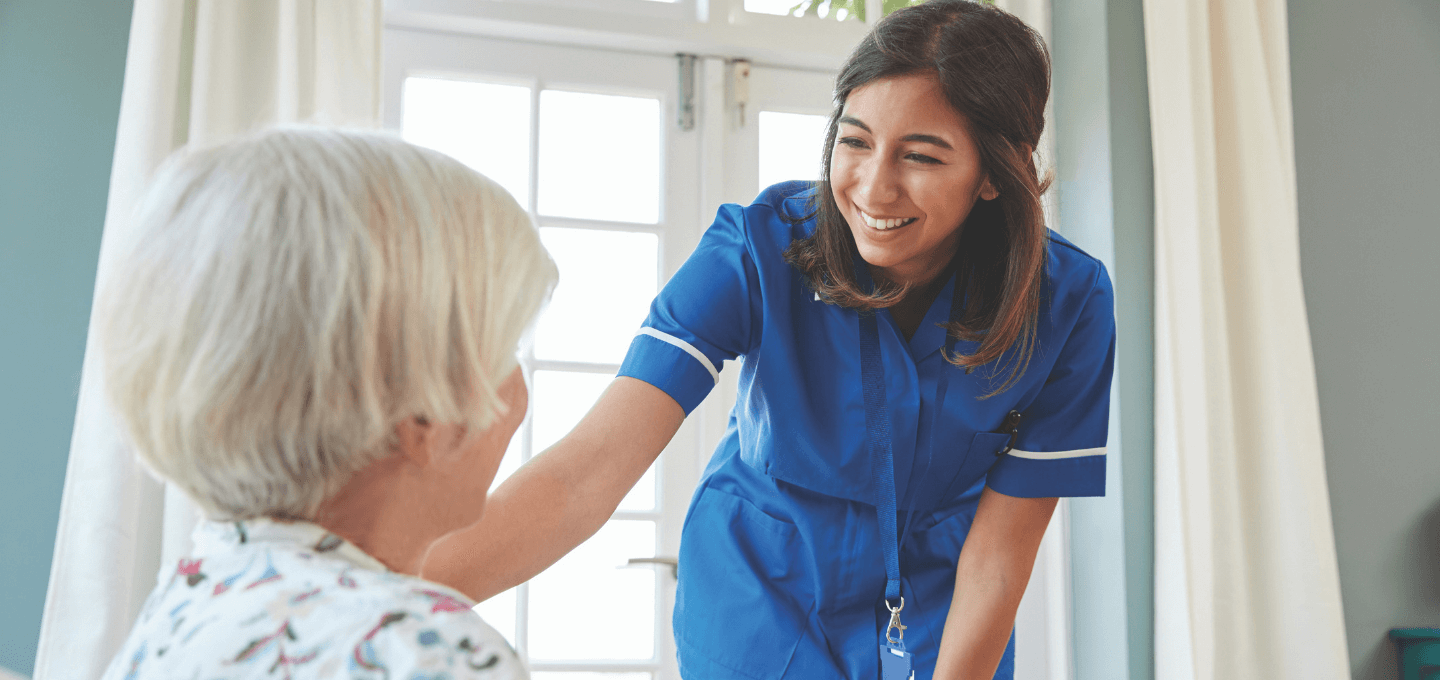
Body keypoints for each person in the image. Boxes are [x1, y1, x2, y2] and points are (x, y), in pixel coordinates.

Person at [424, 2, 1115, 678]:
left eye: (922, 157)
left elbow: (999, 553)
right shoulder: (757, 249)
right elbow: (586, 475)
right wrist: (373, 591)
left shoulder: (1067, 303)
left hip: (945, 608)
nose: (874, 187)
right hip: (760, 600)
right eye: (855, 140)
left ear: (995, 172)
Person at [94, 128, 557, 679]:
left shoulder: (189, 601)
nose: (519, 392)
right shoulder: (423, 652)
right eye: (506, 348)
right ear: (425, 417)